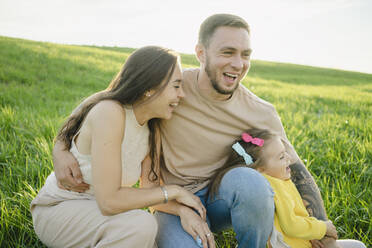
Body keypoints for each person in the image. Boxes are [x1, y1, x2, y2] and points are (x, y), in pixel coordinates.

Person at [54, 14, 333, 248]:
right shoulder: (172, 88)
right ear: (201, 53)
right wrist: (61, 146)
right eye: (227, 52)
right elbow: (108, 99)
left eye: (245, 55)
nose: (238, 64)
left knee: (253, 183)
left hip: (221, 195)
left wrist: (321, 229)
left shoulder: (260, 111)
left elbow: (296, 171)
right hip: (172, 204)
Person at [30, 46, 207, 248]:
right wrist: (174, 190)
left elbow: (151, 195)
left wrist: (183, 211)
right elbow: (110, 201)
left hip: (98, 215)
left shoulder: (152, 129)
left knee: (146, 237)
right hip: (60, 209)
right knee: (141, 226)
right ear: (150, 88)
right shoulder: (110, 111)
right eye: (176, 86)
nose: (182, 94)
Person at [208, 129, 366, 248]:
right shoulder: (274, 186)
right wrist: (322, 228)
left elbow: (295, 215)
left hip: (304, 242)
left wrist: (310, 236)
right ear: (259, 170)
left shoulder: (281, 179)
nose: (289, 160)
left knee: (358, 246)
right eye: (282, 157)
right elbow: (290, 225)